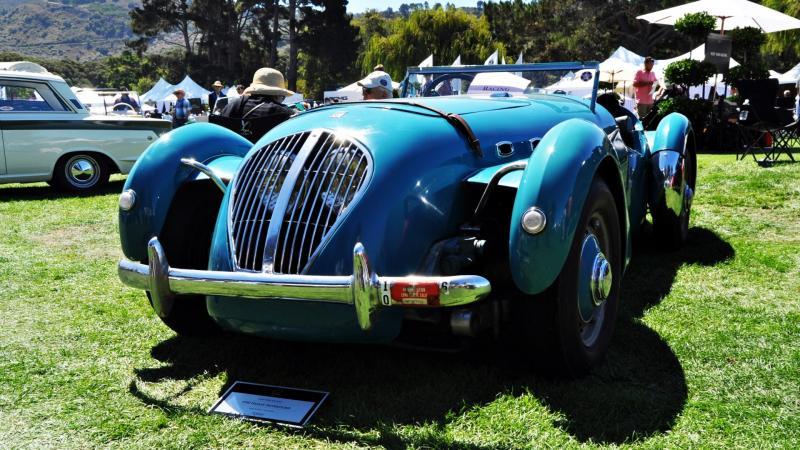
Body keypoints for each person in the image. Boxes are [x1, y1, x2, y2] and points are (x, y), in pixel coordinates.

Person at [212, 67, 295, 143]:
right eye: (282, 97)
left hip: (231, 154)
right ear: (277, 95)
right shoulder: (282, 112)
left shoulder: (233, 105)